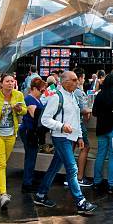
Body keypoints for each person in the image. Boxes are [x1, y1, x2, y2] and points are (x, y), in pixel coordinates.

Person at [33, 71, 97, 215]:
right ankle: (81, 202)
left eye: (76, 80)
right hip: (61, 137)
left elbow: (76, 119)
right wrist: (61, 126)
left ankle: (40, 195)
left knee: (55, 167)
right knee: (72, 168)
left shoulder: (73, 96)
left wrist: (79, 137)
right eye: (73, 80)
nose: (77, 82)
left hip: (70, 138)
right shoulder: (57, 97)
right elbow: (45, 119)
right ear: (64, 82)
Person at [0, 73, 26, 208]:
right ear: (1, 83)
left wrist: (20, 109)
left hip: (11, 134)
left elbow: (24, 111)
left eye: (12, 81)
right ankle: (3, 194)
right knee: (1, 164)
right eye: (7, 81)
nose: (10, 83)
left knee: (2, 163)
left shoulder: (18, 95)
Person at [92, 73, 113, 193]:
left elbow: (94, 112)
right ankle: (112, 184)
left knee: (100, 154)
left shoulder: (99, 95)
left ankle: (96, 182)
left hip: (101, 129)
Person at [18, 77, 46, 193]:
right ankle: (27, 183)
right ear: (34, 88)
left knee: (31, 156)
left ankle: (28, 180)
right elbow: (35, 115)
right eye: (41, 90)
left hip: (30, 131)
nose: (43, 93)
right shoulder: (30, 99)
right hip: (29, 131)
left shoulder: (35, 99)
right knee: (30, 156)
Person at [73, 68, 93, 187]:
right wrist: (91, 110)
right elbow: (83, 110)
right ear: (80, 78)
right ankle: (79, 177)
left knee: (71, 148)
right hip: (78, 124)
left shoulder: (66, 91)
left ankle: (70, 177)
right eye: (83, 78)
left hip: (69, 125)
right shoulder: (79, 92)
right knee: (85, 147)